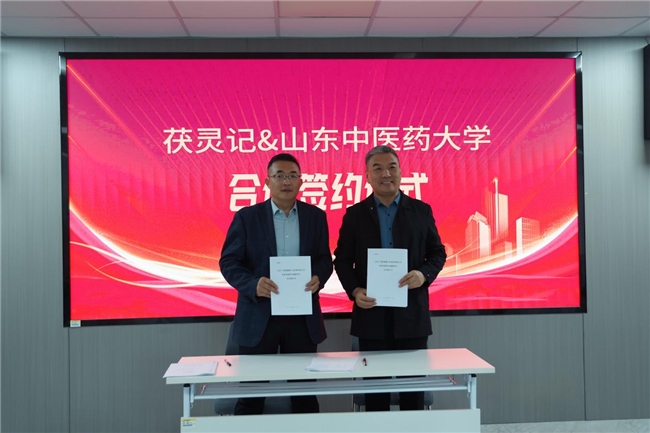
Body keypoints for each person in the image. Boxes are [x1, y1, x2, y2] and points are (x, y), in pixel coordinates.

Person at [333, 145, 447, 412]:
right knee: (376, 394)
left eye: (392, 167)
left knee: (412, 393)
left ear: (400, 171)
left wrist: (423, 274)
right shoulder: (355, 214)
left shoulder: (420, 210)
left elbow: (437, 253)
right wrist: (355, 291)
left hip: (412, 315)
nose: (386, 174)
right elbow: (342, 260)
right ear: (367, 176)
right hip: (371, 315)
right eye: (378, 168)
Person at [219, 153, 333, 415]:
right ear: (267, 181)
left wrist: (318, 277)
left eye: (292, 175)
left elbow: (324, 259)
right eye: (279, 175)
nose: (286, 181)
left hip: (302, 318)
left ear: (301, 181)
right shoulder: (247, 217)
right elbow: (229, 262)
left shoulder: (315, 217)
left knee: (304, 396)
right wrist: (253, 284)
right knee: (251, 396)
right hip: (259, 316)